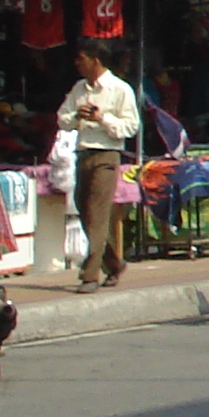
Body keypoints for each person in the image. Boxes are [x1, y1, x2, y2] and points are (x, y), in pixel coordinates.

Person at [61, 40, 139, 293]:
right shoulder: (78, 89)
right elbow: (62, 118)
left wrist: (101, 118)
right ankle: (114, 264)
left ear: (95, 61)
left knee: (97, 214)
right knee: (85, 212)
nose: (76, 63)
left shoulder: (119, 89)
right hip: (83, 154)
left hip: (107, 156)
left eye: (81, 58)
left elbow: (130, 126)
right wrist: (77, 117)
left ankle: (90, 274)